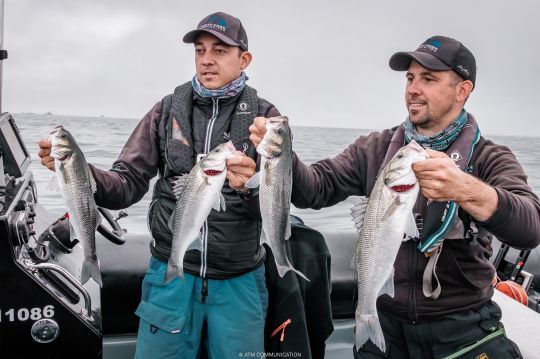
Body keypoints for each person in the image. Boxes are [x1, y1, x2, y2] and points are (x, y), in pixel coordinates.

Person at [250, 35, 540, 358]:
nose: (413, 89)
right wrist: (280, 154)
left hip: (462, 325)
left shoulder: (489, 157)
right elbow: (315, 188)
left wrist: (465, 187)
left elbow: (531, 226)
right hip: (385, 322)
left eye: (428, 79)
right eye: (410, 78)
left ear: (462, 91)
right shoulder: (374, 149)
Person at [38, 12, 280, 359]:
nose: (207, 59)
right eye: (200, 50)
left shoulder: (264, 116)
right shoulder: (166, 111)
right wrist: (80, 172)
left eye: (220, 50)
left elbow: (277, 204)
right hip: (170, 275)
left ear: (244, 59)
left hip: (240, 282)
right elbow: (127, 182)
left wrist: (253, 183)